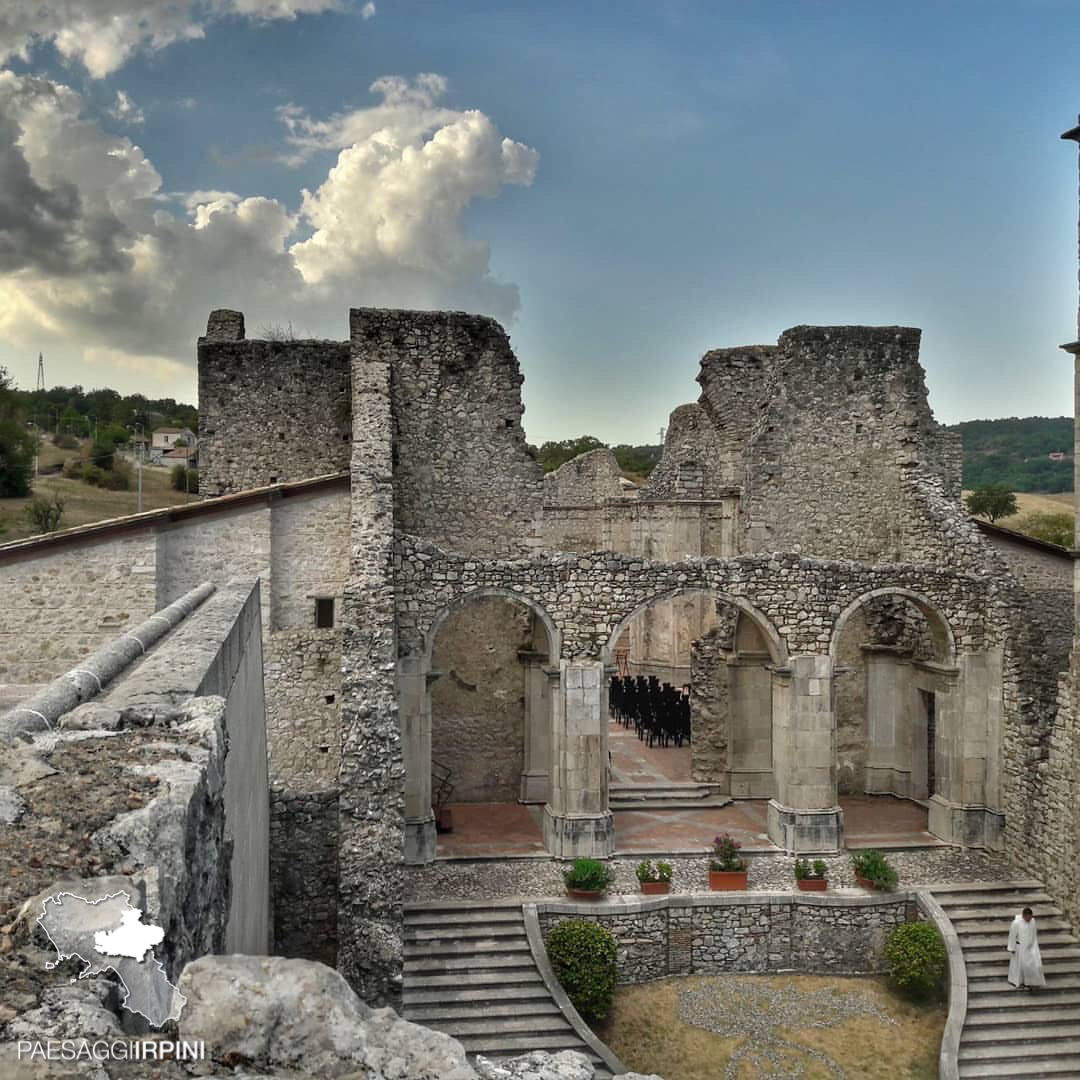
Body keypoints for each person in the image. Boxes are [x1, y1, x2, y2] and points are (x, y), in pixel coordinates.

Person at [1007, 907, 1046, 990]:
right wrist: (1012, 948)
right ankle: (1017, 981)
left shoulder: (1033, 921)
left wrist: (1034, 946)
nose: (1029, 920)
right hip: (1019, 947)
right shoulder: (1016, 923)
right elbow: (1012, 936)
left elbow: (1034, 934)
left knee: (1032, 964)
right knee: (1019, 966)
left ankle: (1030, 982)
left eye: (1030, 917)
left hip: (1029, 947)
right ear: (1024, 915)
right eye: (1028, 918)